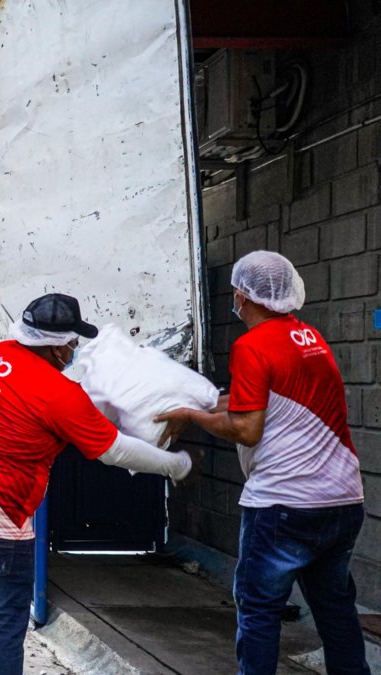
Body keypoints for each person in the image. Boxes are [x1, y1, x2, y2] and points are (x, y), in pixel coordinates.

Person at [0, 293, 200, 675]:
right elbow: (115, 451)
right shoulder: (60, 396)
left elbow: (29, 394)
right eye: (73, 342)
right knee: (3, 627)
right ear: (58, 348)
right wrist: (177, 464)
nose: (75, 348)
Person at [156, 251, 368, 675]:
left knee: (258, 613)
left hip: (282, 507)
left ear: (242, 295)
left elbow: (247, 428)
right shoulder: (310, 339)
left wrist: (192, 418)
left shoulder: (251, 346)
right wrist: (197, 402)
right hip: (343, 501)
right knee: (336, 612)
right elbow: (263, 399)